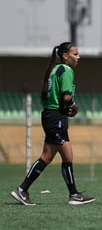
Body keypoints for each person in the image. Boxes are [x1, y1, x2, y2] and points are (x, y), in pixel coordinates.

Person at [10, 42, 96, 206]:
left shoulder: (55, 69)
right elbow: (66, 97)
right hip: (55, 117)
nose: (78, 57)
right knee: (47, 156)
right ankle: (22, 190)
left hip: (53, 116)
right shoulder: (66, 70)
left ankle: (74, 194)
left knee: (67, 155)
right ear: (65, 56)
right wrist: (74, 107)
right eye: (75, 54)